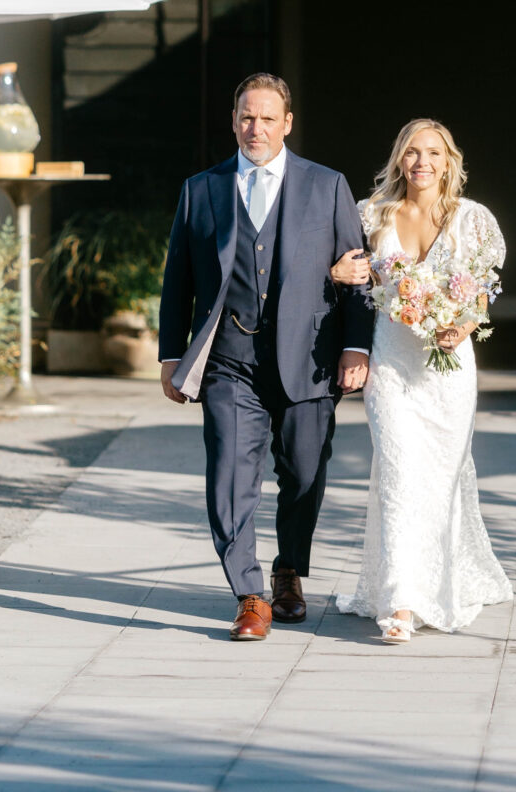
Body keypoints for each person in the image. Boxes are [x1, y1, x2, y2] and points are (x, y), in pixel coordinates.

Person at [159, 73, 374, 641]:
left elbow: (359, 274)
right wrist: (169, 355)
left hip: (309, 360)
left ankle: (287, 573)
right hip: (231, 360)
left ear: (288, 123)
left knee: (304, 475)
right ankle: (250, 594)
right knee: (230, 475)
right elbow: (177, 279)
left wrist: (357, 346)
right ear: (234, 121)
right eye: (246, 117)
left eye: (267, 118)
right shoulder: (200, 189)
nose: (256, 128)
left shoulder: (327, 186)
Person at [334, 118, 513, 643]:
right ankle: (402, 602)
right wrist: (336, 275)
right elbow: (347, 279)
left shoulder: (472, 219)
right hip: (391, 364)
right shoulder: (373, 215)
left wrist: (466, 321)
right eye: (412, 152)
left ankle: (442, 581)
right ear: (399, 159)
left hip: (450, 367)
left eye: (433, 153)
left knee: (439, 476)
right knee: (398, 471)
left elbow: (484, 288)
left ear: (449, 160)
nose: (422, 163)